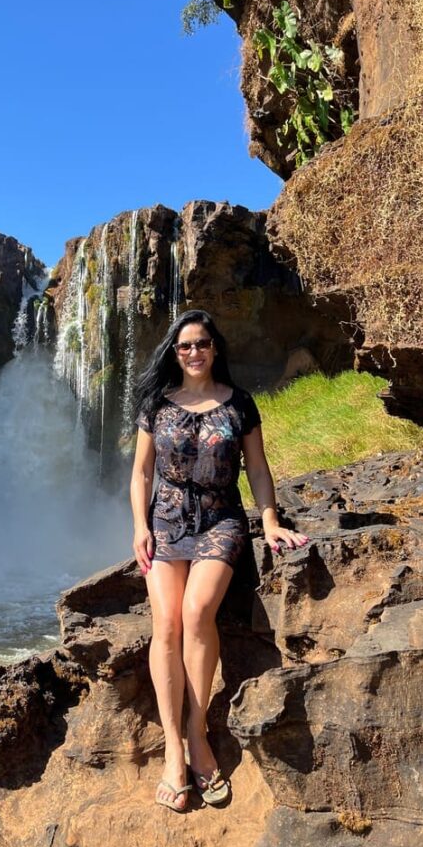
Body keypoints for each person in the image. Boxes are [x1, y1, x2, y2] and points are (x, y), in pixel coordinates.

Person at [130, 309, 308, 812]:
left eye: (202, 344)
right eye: (184, 345)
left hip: (220, 522)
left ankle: (198, 730)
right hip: (165, 523)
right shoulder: (155, 404)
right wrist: (140, 526)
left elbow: (257, 467)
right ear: (174, 351)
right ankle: (172, 747)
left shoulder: (239, 404)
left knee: (195, 613)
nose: (193, 353)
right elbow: (142, 473)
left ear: (215, 348)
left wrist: (269, 522)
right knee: (165, 622)